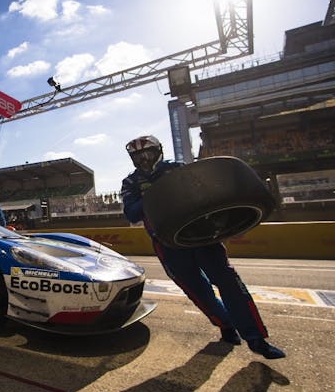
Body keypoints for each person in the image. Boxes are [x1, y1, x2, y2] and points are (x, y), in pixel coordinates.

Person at [120, 135, 285, 360]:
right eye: (138, 156)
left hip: (202, 235)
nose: (144, 159)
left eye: (148, 153)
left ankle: (256, 338)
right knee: (197, 290)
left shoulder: (178, 168)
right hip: (167, 243)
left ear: (159, 151)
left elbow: (205, 192)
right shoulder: (130, 182)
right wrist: (159, 192)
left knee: (228, 281)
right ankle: (225, 324)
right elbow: (131, 213)